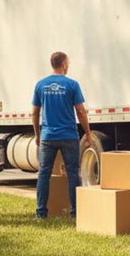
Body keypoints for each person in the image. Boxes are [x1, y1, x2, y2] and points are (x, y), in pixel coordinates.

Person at [32, 52, 94, 219]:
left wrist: (38, 135)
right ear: (64, 65)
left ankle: (40, 213)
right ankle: (75, 213)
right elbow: (80, 111)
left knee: (44, 174)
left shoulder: (40, 85)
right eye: (69, 63)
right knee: (73, 173)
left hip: (47, 137)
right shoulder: (72, 85)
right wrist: (88, 134)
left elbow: (34, 113)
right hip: (68, 136)